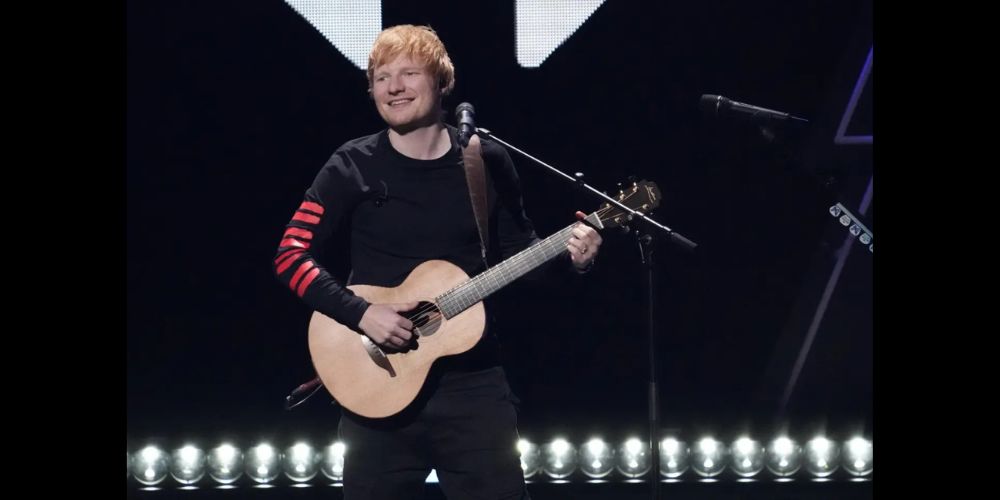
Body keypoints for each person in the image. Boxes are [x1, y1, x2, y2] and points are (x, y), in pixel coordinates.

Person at [273, 24, 602, 499]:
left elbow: (521, 258)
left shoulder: (484, 159)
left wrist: (576, 260)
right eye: (382, 77)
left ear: (443, 83)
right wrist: (362, 314)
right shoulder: (353, 164)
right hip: (375, 387)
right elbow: (289, 254)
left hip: (473, 388)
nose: (394, 87)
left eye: (409, 73)